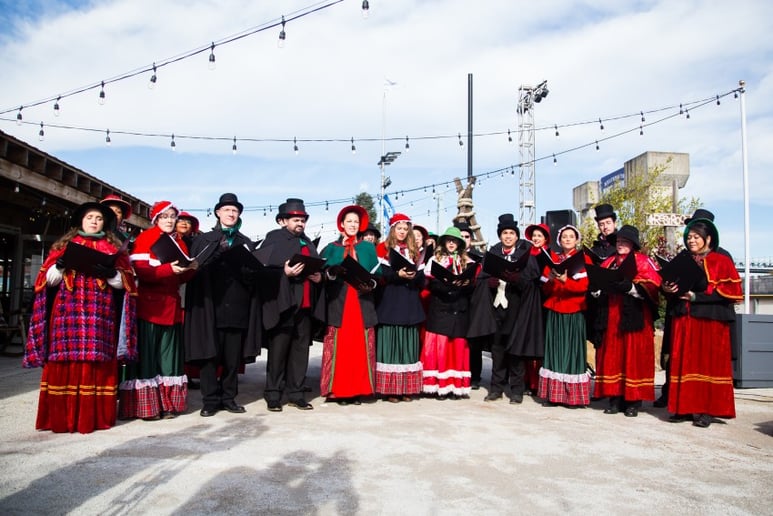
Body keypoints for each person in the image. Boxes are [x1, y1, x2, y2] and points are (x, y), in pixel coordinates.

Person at [23, 201, 137, 433]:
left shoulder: (114, 249)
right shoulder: (63, 246)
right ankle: (62, 417)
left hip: (100, 313)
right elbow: (45, 282)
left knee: (97, 360)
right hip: (68, 312)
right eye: (90, 217)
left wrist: (112, 274)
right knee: (65, 360)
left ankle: (93, 418)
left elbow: (125, 285)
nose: (94, 221)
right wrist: (61, 266)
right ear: (81, 221)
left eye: (99, 218)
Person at [184, 193, 262, 417]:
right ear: (218, 212)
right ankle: (210, 400)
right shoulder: (204, 239)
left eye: (235, 211)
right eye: (227, 210)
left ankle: (229, 398)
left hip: (237, 307)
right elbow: (193, 269)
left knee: (231, 357)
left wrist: (249, 271)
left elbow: (254, 276)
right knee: (209, 356)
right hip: (209, 307)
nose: (231, 213)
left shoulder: (245, 242)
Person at [120, 201, 198, 420]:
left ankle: (168, 404)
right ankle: (147, 407)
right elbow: (141, 272)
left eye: (172, 216)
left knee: (169, 358)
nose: (169, 220)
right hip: (150, 307)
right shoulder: (146, 239)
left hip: (171, 307)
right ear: (155, 219)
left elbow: (181, 277)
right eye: (164, 216)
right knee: (148, 356)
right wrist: (167, 269)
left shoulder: (180, 243)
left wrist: (191, 270)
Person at [662, 217, 741, 428]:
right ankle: (683, 407)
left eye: (696, 237)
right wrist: (668, 289)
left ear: (708, 238)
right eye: (689, 237)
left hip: (709, 321)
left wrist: (696, 297)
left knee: (706, 365)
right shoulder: (683, 259)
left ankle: (706, 410)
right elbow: (671, 287)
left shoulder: (721, 261)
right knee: (683, 364)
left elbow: (730, 293)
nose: (691, 240)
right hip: (684, 319)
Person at [260, 198, 322, 412]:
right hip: (283, 305)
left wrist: (318, 278)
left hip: (304, 306)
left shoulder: (308, 242)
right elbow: (262, 269)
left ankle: (296, 393)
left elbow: (318, 267)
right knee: (278, 352)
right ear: (282, 221)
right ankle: (274, 394)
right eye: (296, 219)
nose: (300, 223)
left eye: (303, 220)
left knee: (300, 352)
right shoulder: (273, 239)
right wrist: (283, 273)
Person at [593, 225, 661, 417]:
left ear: (633, 244)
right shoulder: (608, 262)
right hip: (612, 315)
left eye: (624, 242)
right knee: (613, 355)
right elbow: (598, 281)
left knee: (633, 356)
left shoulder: (643, 261)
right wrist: (596, 289)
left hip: (635, 317)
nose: (620, 244)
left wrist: (631, 287)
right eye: (618, 241)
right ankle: (614, 399)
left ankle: (633, 401)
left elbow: (653, 287)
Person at [316, 205, 381, 405]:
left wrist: (371, 283)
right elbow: (322, 273)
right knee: (341, 348)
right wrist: (331, 272)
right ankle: (339, 391)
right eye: (349, 221)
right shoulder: (331, 248)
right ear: (342, 224)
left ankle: (358, 390)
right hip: (340, 302)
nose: (353, 225)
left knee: (359, 347)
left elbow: (377, 273)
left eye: (355, 222)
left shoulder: (368, 248)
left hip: (361, 301)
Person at [482, 214, 543, 405]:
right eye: (504, 233)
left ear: (516, 236)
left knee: (516, 350)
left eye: (511, 233)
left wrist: (518, 279)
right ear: (500, 236)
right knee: (497, 349)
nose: (508, 236)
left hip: (517, 308)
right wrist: (488, 283)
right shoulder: (493, 253)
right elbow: (482, 277)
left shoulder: (524, 255)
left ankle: (516, 391)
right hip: (496, 308)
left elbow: (533, 281)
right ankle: (496, 389)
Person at [420, 226, 478, 399]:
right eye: (449, 240)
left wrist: (464, 284)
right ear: (444, 242)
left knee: (458, 348)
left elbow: (473, 286)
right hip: (440, 309)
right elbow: (430, 284)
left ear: (459, 243)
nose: (451, 244)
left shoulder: (467, 261)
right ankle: (438, 386)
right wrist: (447, 284)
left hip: (459, 309)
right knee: (441, 348)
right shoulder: (435, 260)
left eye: (455, 241)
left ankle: (456, 386)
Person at [538, 225, 591, 407]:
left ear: (576, 240)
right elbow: (544, 288)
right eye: (564, 237)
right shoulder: (553, 259)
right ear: (559, 240)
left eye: (571, 237)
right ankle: (554, 395)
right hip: (555, 309)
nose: (567, 239)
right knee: (555, 350)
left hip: (574, 311)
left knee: (571, 351)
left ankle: (572, 396)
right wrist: (552, 280)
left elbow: (583, 287)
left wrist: (565, 281)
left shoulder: (584, 259)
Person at [375, 213, 425, 402]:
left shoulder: (415, 251)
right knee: (391, 344)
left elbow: (422, 278)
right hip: (390, 301)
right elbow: (382, 275)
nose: (403, 232)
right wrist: (398, 274)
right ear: (393, 229)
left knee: (408, 345)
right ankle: (390, 390)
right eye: (399, 228)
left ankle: (406, 388)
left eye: (405, 229)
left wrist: (413, 276)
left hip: (410, 300)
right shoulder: (383, 248)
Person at [455, 220, 487, 390]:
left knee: (474, 342)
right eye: (460, 236)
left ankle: (475, 375)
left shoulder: (479, 258)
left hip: (474, 303)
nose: (464, 239)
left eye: (467, 236)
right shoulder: (448, 255)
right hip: (455, 303)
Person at [524, 222, 552, 394]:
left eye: (539, 236)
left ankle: (539, 382)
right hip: (527, 301)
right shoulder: (526, 254)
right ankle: (527, 380)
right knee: (527, 339)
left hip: (543, 300)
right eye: (534, 235)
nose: (536, 239)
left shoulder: (550, 255)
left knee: (541, 341)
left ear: (545, 238)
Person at [586, 203, 618, 350]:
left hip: (618, 299)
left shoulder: (622, 244)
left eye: (608, 223)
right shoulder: (594, 249)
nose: (605, 227)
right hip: (598, 301)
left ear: (614, 223)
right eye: (601, 224)